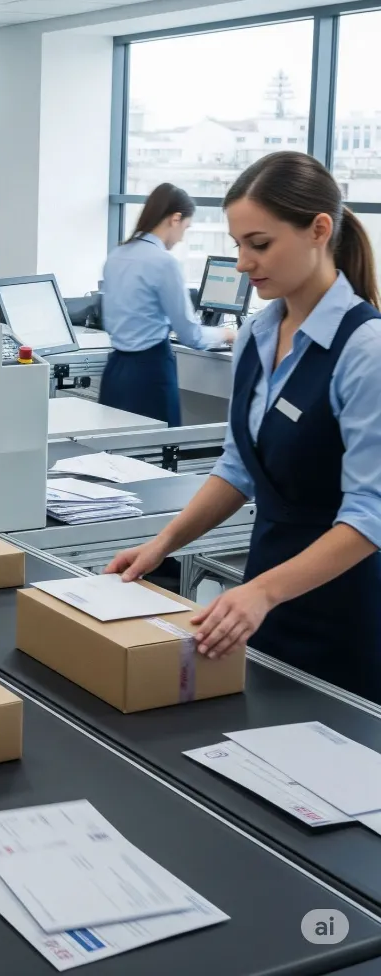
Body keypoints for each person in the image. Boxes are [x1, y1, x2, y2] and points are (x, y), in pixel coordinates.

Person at [107, 151, 381, 703]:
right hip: (264, 597)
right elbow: (237, 469)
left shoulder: (365, 349)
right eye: (237, 245)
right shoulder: (257, 333)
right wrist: (162, 546)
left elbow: (370, 516)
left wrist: (261, 593)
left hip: (343, 606)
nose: (242, 264)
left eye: (259, 244)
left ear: (318, 230)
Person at [100, 182, 235, 426]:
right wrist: (227, 334)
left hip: (116, 372)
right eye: (185, 228)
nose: (182, 237)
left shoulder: (116, 255)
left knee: (113, 454)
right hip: (149, 374)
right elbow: (190, 335)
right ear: (175, 219)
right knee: (157, 454)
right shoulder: (164, 263)